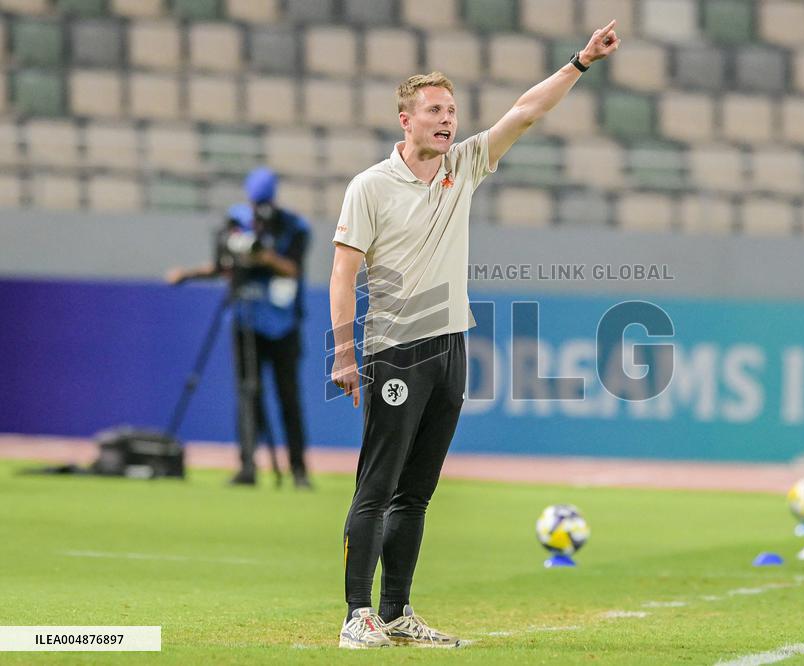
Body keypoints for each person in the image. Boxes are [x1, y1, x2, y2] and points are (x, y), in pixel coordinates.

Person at [328, 22, 621, 649]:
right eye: (435, 111)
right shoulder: (370, 187)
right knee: (376, 488)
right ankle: (357, 616)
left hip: (451, 348)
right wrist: (345, 353)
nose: (448, 121)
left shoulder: (462, 166)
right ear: (405, 119)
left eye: (452, 111)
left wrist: (580, 62)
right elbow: (342, 272)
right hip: (396, 351)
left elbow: (525, 113)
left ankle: (398, 613)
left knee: (417, 493)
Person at [166, 167, 313, 488]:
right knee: (248, 394)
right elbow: (223, 265)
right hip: (247, 318)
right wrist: (188, 274)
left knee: (288, 397)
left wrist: (265, 257)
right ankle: (248, 467)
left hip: (284, 323)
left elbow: (293, 269)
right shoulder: (236, 222)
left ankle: (299, 470)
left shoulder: (294, 226)